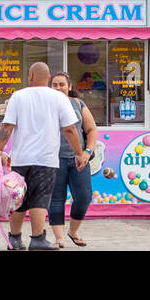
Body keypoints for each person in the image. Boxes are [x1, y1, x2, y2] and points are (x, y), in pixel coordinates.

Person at [0, 61, 86, 251]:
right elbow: (69, 129)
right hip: (45, 159)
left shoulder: (18, 96)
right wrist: (79, 152)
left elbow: (7, 126)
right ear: (48, 78)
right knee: (39, 199)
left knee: (18, 199)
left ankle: (15, 239)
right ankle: (37, 239)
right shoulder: (59, 98)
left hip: (20, 158)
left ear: (31, 76)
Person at [48, 71, 97, 247]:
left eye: (62, 84)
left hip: (79, 160)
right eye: (55, 84)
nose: (59, 87)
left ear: (69, 87)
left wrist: (87, 151)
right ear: (50, 87)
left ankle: (73, 231)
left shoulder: (78, 104)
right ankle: (59, 238)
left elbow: (91, 129)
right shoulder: (46, 106)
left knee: (84, 197)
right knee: (56, 199)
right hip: (53, 160)